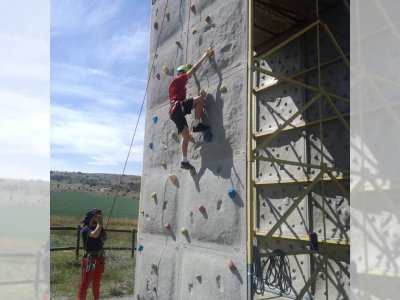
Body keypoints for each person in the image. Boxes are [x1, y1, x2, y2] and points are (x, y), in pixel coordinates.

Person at [169, 49, 213, 170]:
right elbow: (193, 70)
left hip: (174, 113)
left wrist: (187, 67)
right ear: (181, 73)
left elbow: (189, 71)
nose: (187, 80)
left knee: (186, 137)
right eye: (185, 76)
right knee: (199, 99)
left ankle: (184, 160)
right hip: (177, 107)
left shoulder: (176, 84)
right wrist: (204, 57)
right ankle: (197, 124)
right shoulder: (178, 79)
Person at [77, 208, 107, 300]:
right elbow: (94, 234)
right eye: (97, 216)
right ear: (92, 217)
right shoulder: (86, 229)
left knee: (96, 283)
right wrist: (99, 224)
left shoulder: (98, 228)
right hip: (89, 259)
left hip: (99, 258)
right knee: (85, 283)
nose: (99, 218)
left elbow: (105, 238)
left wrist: (101, 228)